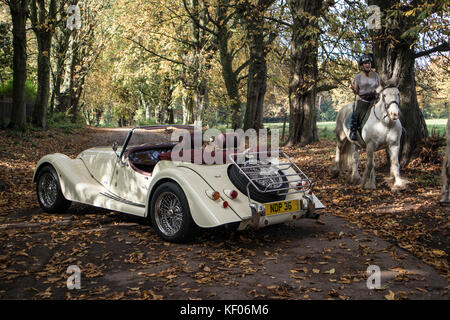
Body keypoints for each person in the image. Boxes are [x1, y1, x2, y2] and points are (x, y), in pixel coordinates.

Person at [350, 54, 381, 141]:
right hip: (364, 100)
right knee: (356, 114)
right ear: (362, 65)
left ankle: (399, 128)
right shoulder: (358, 77)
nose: (368, 65)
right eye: (366, 63)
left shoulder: (376, 75)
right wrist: (353, 89)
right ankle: (353, 131)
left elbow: (380, 87)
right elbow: (356, 90)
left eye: (369, 63)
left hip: (375, 99)